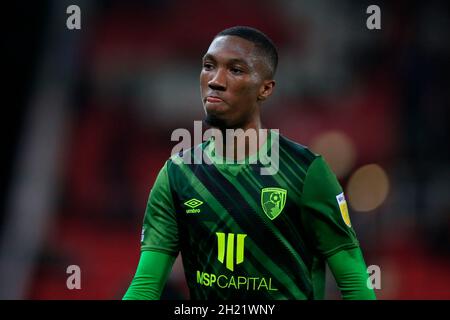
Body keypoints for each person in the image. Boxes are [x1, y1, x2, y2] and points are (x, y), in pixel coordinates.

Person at [123, 26, 376, 300]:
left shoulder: (305, 171)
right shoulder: (177, 175)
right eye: (209, 66)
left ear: (265, 89)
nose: (215, 80)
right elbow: (146, 285)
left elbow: (352, 279)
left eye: (235, 70)